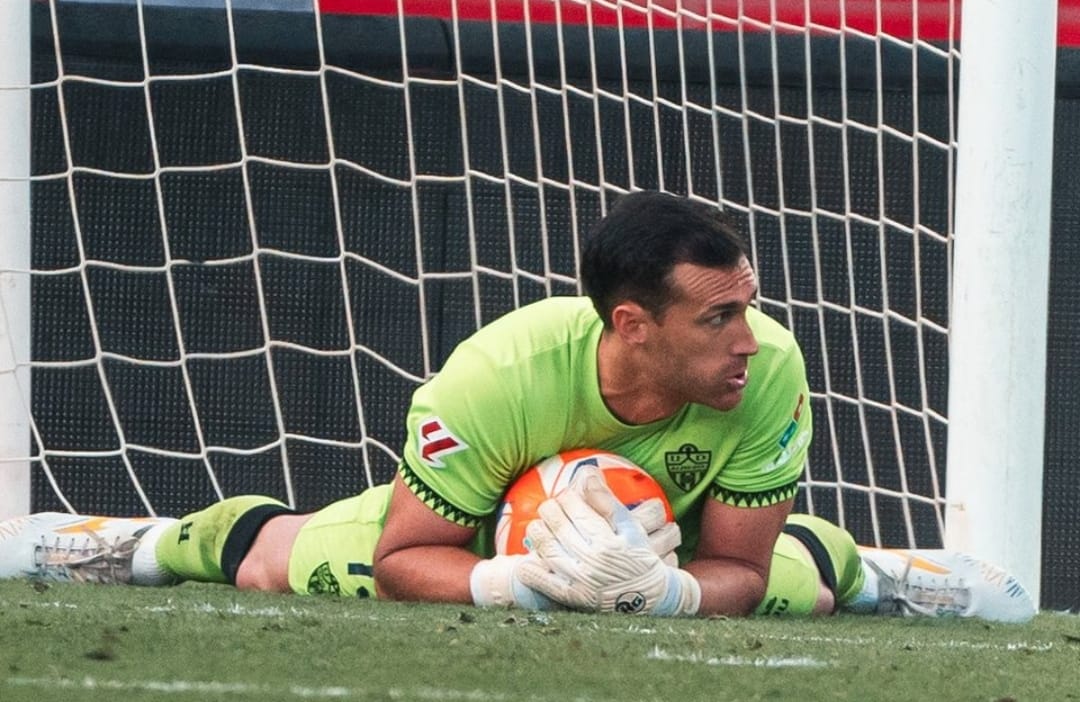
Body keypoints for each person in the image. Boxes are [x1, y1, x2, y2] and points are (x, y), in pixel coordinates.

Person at [0, 191, 1035, 622]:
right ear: (632, 325)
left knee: (798, 586)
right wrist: (516, 580)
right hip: (490, 540)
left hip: (672, 549)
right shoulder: (495, 376)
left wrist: (664, 595)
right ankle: (126, 543)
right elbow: (410, 556)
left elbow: (740, 563)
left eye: (749, 308)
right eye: (717, 319)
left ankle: (889, 574)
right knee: (288, 565)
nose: (748, 340)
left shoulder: (767, 370)